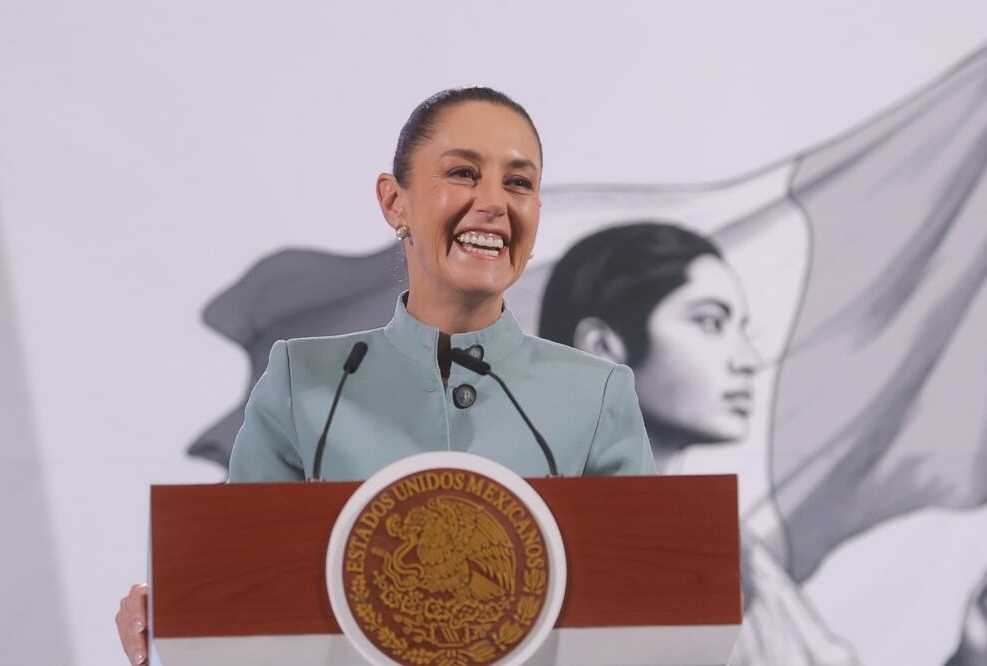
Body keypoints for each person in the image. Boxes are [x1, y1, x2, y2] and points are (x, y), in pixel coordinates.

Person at [115, 88, 656, 665]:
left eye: (519, 183)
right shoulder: (307, 381)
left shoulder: (597, 393)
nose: (495, 202)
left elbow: (659, 601)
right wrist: (167, 610)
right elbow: (238, 583)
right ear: (394, 202)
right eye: (464, 173)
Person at [538, 222, 859, 666]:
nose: (748, 359)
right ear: (601, 349)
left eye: (741, 327)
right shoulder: (528, 535)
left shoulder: (734, 545)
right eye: (710, 322)